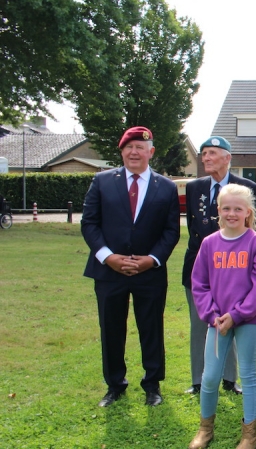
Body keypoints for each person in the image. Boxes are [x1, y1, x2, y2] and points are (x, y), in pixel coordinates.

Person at [81, 126, 180, 407]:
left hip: (149, 273)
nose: (134, 152)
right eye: (129, 147)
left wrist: (152, 259)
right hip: (109, 271)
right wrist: (108, 257)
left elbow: (171, 230)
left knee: (151, 328)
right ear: (122, 151)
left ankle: (152, 385)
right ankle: (115, 385)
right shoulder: (102, 181)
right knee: (111, 328)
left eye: (140, 147)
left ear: (151, 152)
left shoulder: (167, 187)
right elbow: (89, 223)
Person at [188, 184, 256, 449]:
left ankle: (250, 435)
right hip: (217, 321)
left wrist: (236, 315)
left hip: (247, 320)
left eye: (238, 209)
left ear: (248, 212)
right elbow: (199, 283)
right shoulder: (209, 243)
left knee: (248, 374)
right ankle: (205, 429)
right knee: (210, 376)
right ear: (218, 210)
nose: (232, 214)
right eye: (226, 208)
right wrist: (212, 314)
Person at [183, 136, 256, 396]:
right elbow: (193, 228)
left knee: (233, 320)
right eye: (204, 153)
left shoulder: (246, 187)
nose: (206, 158)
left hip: (235, 269)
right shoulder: (194, 187)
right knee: (200, 323)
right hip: (200, 266)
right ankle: (198, 379)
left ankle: (229, 378)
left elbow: (252, 229)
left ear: (228, 157)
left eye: (212, 153)